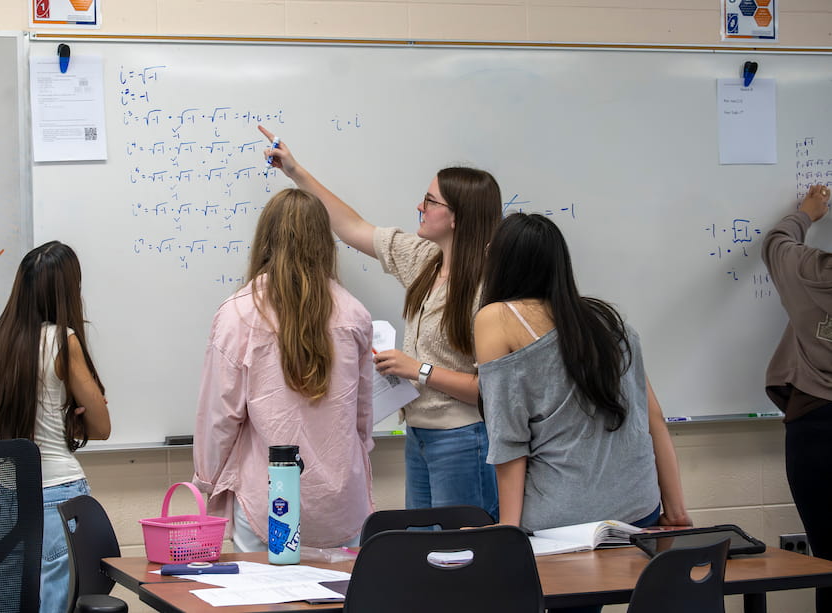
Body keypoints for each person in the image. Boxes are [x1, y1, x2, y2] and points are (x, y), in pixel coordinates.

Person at [258, 125, 500, 518]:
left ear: (456, 217)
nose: (419, 207)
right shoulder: (423, 258)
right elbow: (353, 227)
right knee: (423, 552)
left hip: (463, 438)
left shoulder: (487, 290)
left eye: (430, 201)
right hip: (419, 435)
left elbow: (493, 391)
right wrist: (296, 172)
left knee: (461, 557)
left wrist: (419, 370)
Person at [474, 213, 691, 613]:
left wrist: (507, 532)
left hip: (564, 525)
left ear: (504, 260)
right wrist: (675, 511)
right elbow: (652, 418)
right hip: (639, 514)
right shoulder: (609, 320)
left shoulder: (496, 318)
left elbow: (508, 439)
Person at [193, 188, 375, 550]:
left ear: (265, 239)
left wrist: (206, 484)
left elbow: (219, 417)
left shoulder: (239, 313)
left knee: (266, 604)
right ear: (325, 241)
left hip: (267, 501)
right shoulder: (354, 313)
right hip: (340, 504)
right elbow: (363, 417)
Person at [0, 241, 110, 613]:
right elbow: (101, 426)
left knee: (10, 605)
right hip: (58, 495)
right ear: (68, 290)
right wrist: (77, 412)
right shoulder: (62, 341)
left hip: (7, 497)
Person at [762, 183, 832, 613]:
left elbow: (775, 245)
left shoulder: (812, 273)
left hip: (816, 432)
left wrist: (806, 214)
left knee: (827, 561)